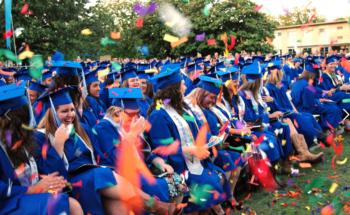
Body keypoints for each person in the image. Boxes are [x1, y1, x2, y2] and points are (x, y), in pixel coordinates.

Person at [35, 88, 177, 215]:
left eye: (72, 109)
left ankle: (157, 206)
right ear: (52, 113)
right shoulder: (41, 136)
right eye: (64, 111)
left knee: (116, 199)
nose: (70, 115)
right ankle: (156, 206)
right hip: (71, 183)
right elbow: (50, 175)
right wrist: (58, 146)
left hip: (98, 178)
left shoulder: (81, 129)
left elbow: (100, 158)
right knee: (101, 175)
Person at [147, 64, 228, 214]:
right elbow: (163, 149)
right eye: (182, 84)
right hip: (178, 166)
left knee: (216, 177)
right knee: (207, 183)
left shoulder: (182, 107)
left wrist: (212, 139)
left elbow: (196, 131)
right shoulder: (158, 115)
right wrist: (190, 150)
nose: (185, 86)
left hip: (195, 160)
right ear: (174, 89)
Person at [0, 83, 83, 215]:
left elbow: (50, 171)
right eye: (25, 119)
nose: (29, 124)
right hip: (7, 203)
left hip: (27, 197)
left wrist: (58, 147)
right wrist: (32, 189)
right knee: (71, 205)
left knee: (73, 197)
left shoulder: (28, 139)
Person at [94, 87, 185, 206]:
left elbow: (145, 153)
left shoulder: (126, 124)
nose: (136, 118)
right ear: (117, 113)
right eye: (132, 114)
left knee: (177, 181)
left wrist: (160, 163)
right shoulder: (103, 128)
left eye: (137, 114)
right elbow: (118, 159)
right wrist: (132, 134)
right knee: (165, 187)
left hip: (143, 170)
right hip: (125, 175)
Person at [185, 75, 244, 207]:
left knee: (239, 154)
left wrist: (224, 138)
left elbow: (230, 122)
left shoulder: (211, 108)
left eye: (214, 98)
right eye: (210, 97)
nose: (213, 101)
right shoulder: (192, 110)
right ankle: (222, 199)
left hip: (218, 146)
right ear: (201, 94)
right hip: (203, 153)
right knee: (229, 158)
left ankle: (229, 195)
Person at [264, 61, 323, 162]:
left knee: (307, 116)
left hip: (290, 110)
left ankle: (310, 146)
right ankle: (317, 140)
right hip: (285, 112)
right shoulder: (269, 88)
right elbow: (273, 107)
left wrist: (295, 111)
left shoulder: (284, 85)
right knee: (303, 119)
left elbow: (289, 101)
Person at [291, 61, 343, 132]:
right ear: (311, 75)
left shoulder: (299, 82)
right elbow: (309, 104)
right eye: (313, 77)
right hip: (304, 108)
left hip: (299, 106)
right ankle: (328, 128)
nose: (314, 80)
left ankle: (331, 124)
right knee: (332, 108)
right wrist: (320, 101)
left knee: (330, 104)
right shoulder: (306, 86)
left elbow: (314, 90)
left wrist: (324, 92)